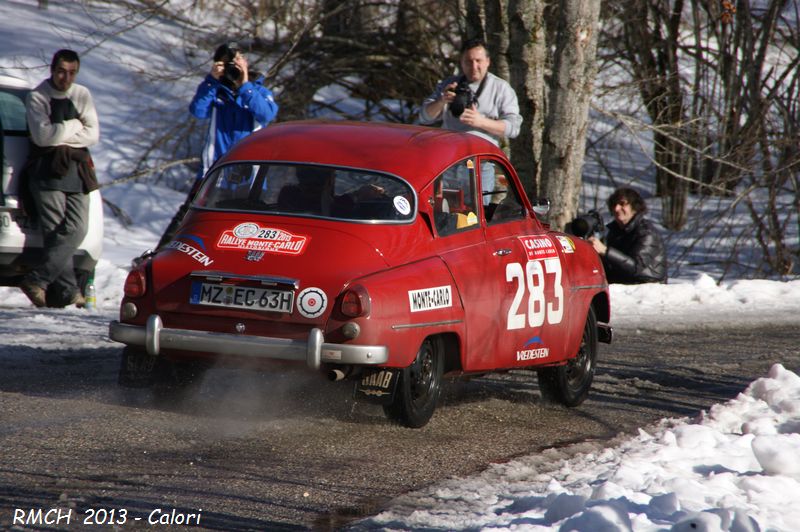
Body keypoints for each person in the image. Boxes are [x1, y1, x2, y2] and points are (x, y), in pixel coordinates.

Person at [155, 42, 278, 249]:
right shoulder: (215, 90)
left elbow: (266, 115)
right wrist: (212, 81)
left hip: (251, 174)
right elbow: (198, 110)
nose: (232, 68)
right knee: (190, 218)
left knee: (248, 226)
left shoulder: (258, 90)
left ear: (244, 62)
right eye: (226, 64)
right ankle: (160, 255)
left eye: (236, 61)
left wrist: (244, 84)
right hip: (214, 169)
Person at [19, 49, 99, 308]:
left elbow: (93, 134)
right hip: (46, 170)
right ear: (53, 70)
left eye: (72, 72)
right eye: (62, 71)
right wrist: (75, 125)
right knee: (55, 232)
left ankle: (39, 279)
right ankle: (68, 293)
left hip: (76, 170)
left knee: (77, 228)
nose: (66, 78)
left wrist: (59, 134)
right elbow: (43, 138)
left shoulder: (82, 94)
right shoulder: (38, 96)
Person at [420, 38, 522, 205]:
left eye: (478, 61)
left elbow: (514, 128)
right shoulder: (450, 84)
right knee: (446, 215)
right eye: (468, 61)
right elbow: (424, 116)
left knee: (476, 218)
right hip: (448, 163)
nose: (474, 66)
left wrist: (481, 122)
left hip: (480, 165)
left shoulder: (501, 88)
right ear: (461, 62)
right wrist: (441, 100)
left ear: (488, 62)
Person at [589, 187, 668, 284]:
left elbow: (636, 268)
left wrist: (605, 251)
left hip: (647, 289)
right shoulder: (613, 231)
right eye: (614, 204)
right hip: (623, 287)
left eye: (622, 204)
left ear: (635, 207)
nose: (616, 208)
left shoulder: (647, 233)